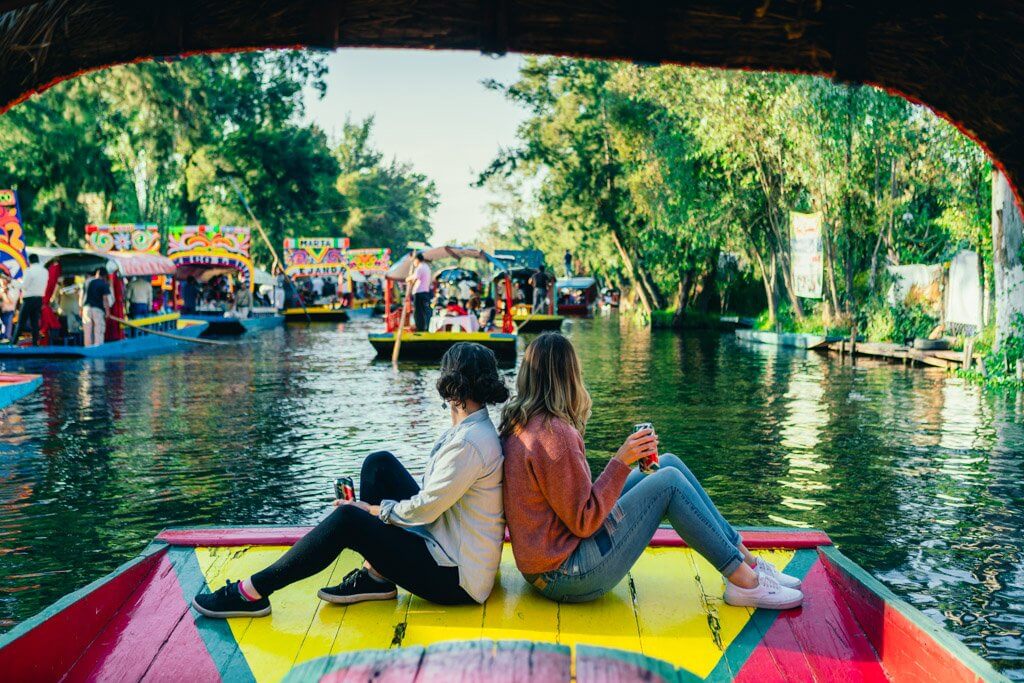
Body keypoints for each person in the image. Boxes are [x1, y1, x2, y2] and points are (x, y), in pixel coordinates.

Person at [192, 342, 510, 618]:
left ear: (449, 384)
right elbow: (434, 500)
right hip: (448, 548)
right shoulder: (469, 431)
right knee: (379, 464)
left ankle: (252, 592)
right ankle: (377, 576)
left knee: (348, 518)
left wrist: (370, 511)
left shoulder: (469, 443)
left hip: (455, 579)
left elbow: (425, 510)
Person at [500, 332, 804, 609]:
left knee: (667, 463)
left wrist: (626, 462)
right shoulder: (555, 436)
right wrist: (621, 461)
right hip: (565, 574)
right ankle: (745, 583)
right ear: (569, 376)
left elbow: (571, 510)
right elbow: (584, 521)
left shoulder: (523, 423)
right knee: (668, 483)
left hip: (548, 565)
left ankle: (746, 561)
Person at [12, 253, 48, 346]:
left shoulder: (29, 270)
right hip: (39, 299)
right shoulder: (45, 271)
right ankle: (35, 343)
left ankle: (13, 343)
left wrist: (13, 282)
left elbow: (24, 286)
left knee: (21, 322)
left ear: (29, 261)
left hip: (29, 299)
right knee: (35, 322)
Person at [80, 267, 112, 347]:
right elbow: (105, 300)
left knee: (87, 332)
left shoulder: (88, 282)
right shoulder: (103, 284)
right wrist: (107, 312)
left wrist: (80, 309)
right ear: (104, 276)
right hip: (97, 309)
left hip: (86, 309)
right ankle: (98, 348)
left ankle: (87, 348)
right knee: (98, 331)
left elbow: (82, 296)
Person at [405, 252, 433, 332]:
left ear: (417, 260)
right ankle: (423, 327)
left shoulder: (421, 267)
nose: (414, 263)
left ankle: (420, 328)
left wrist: (408, 279)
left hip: (419, 292)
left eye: (414, 261)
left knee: (418, 312)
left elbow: (415, 277)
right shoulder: (426, 267)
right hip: (424, 292)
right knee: (423, 311)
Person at [0, 275, 18, 342]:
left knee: (7, 333)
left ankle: (7, 342)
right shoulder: (2, 288)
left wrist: (4, 293)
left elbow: (10, 302)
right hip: (2, 312)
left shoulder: (13, 289)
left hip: (9, 311)